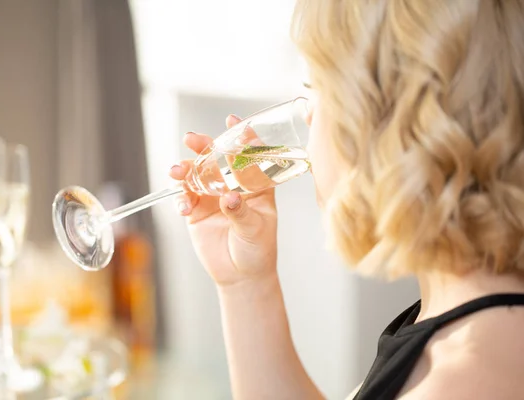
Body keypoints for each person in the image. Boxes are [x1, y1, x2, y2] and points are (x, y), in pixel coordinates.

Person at [169, 0, 524, 399]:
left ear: (388, 122)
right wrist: (246, 284)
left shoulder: (459, 381)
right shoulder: (463, 320)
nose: (306, 117)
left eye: (319, 91)